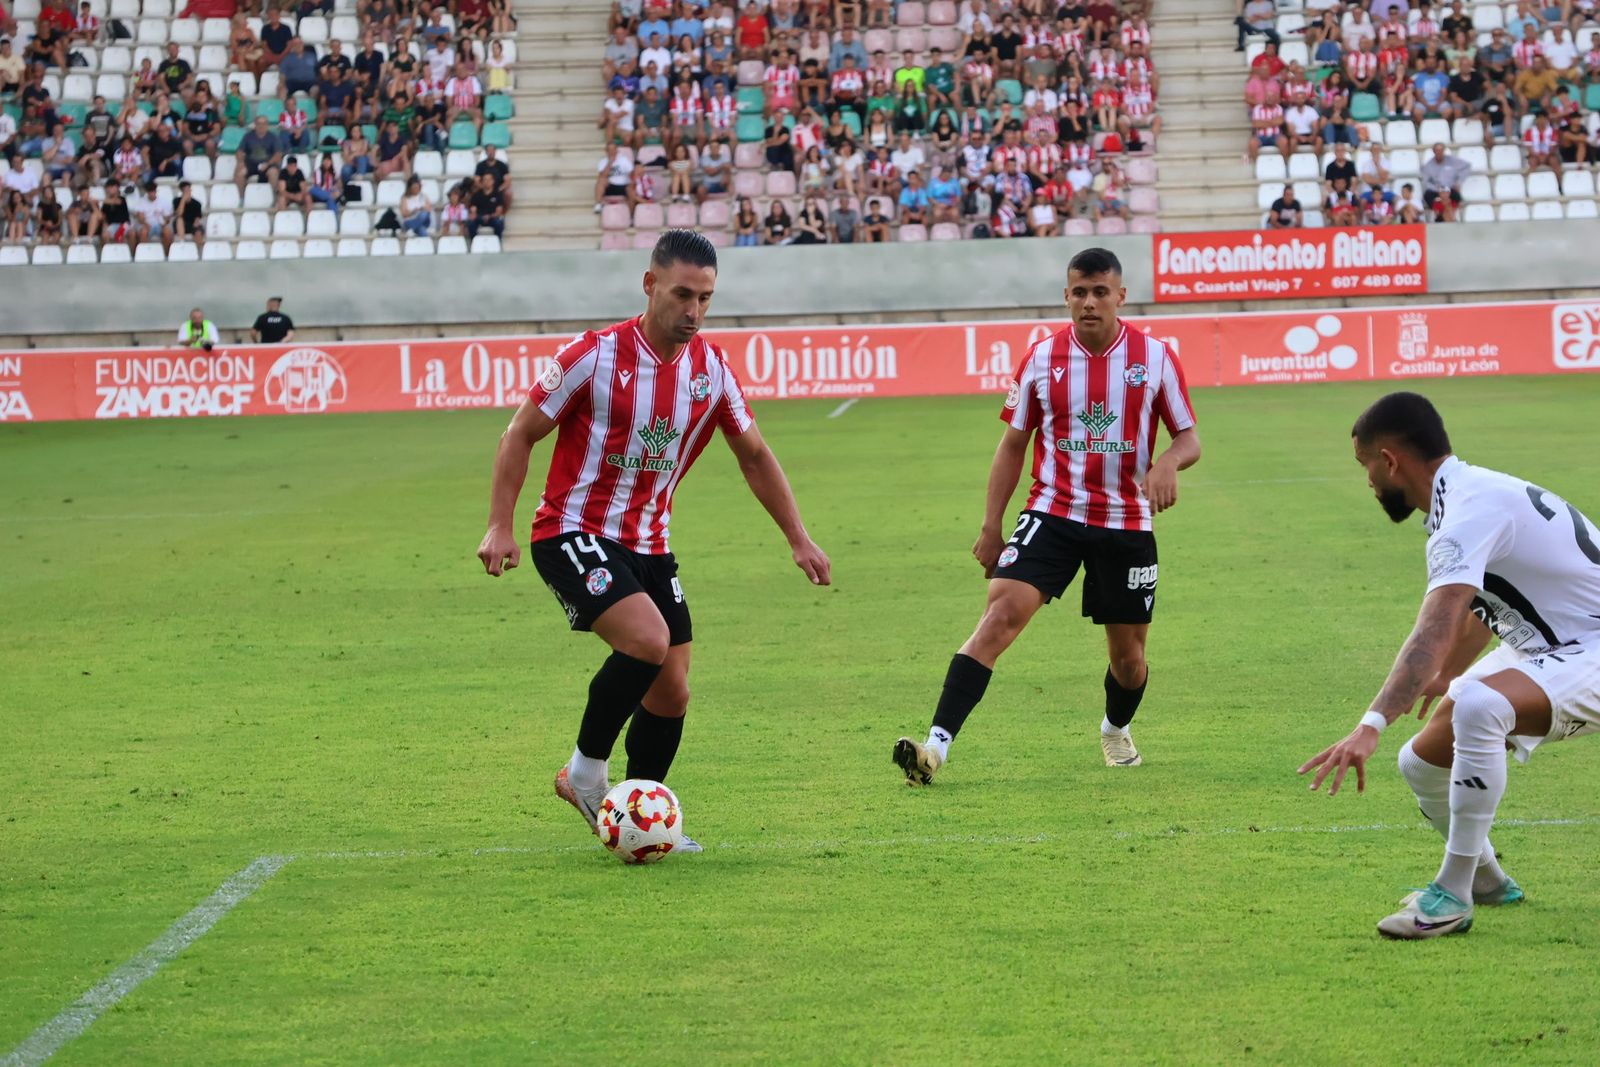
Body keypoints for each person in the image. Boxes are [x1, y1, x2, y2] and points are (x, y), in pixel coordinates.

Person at [474, 230, 831, 849]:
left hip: (649, 543)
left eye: (706, 299)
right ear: (649, 284)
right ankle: (585, 773)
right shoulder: (593, 355)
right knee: (647, 640)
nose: (693, 311)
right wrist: (499, 524)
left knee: (672, 686)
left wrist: (799, 538)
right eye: (682, 294)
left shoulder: (712, 369)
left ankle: (638, 817)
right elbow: (519, 434)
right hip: (571, 529)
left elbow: (754, 454)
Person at [892, 247, 1201, 785]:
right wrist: (992, 525)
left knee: (1128, 660)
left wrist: (1169, 462)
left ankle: (1114, 728)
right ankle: (934, 749)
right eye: (1078, 292)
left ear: (1120, 297)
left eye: (1100, 292)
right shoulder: (1041, 358)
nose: (1088, 303)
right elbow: (1013, 444)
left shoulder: (1155, 358)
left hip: (1126, 521)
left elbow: (1189, 437)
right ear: (1066, 296)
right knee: (999, 616)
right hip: (1053, 511)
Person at [1298, 392, 1600, 939]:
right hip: (1559, 646)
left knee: (1482, 706)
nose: (1367, 480)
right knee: (1422, 761)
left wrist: (1370, 726)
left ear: (1389, 460)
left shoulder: (1465, 512)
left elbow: (1433, 628)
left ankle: (1453, 895)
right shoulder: (1466, 493)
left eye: (1365, 464)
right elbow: (1489, 605)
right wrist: (1446, 674)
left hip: (1592, 647)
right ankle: (1486, 879)